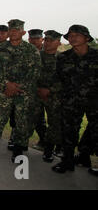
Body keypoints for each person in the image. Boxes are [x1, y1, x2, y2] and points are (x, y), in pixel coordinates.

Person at [0, 19, 41, 162]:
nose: (13, 33)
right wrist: (7, 84)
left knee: (21, 121)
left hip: (23, 93)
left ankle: (18, 150)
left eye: (16, 30)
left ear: (23, 32)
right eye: (11, 30)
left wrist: (17, 86)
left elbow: (35, 73)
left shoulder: (31, 50)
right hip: (3, 91)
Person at [52, 25, 98, 174]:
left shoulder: (96, 56)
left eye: (77, 35)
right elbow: (57, 80)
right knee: (69, 133)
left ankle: (85, 157)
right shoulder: (64, 57)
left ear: (86, 38)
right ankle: (68, 162)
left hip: (94, 102)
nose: (73, 37)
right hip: (70, 102)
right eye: (70, 35)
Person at [36, 30, 63, 163]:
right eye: (46, 40)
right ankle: (42, 141)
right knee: (35, 119)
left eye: (51, 40)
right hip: (35, 93)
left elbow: (65, 79)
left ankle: (49, 150)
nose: (47, 43)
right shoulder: (36, 56)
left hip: (53, 96)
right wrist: (37, 88)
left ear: (58, 42)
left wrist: (50, 90)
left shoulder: (62, 58)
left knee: (54, 123)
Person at [28, 28, 47, 149]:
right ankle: (43, 141)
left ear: (42, 39)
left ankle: (57, 146)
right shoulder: (26, 54)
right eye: (32, 39)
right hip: (32, 91)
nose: (34, 41)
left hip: (49, 92)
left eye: (37, 39)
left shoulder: (50, 53)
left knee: (56, 120)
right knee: (37, 118)